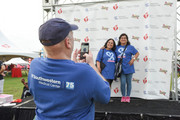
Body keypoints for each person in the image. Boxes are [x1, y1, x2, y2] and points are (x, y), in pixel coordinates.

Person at [28, 18, 110, 120]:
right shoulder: (86, 71)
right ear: (68, 42)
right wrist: (92, 66)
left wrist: (74, 65)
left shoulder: (35, 65)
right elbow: (105, 96)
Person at [115, 33, 139, 103]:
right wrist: (103, 47)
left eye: (125, 38)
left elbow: (137, 53)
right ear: (119, 39)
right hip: (121, 69)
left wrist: (133, 59)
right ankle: (123, 96)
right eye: (122, 38)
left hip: (129, 67)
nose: (123, 39)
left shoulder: (130, 47)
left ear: (127, 39)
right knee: (122, 83)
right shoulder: (116, 47)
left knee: (129, 83)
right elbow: (109, 48)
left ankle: (128, 96)